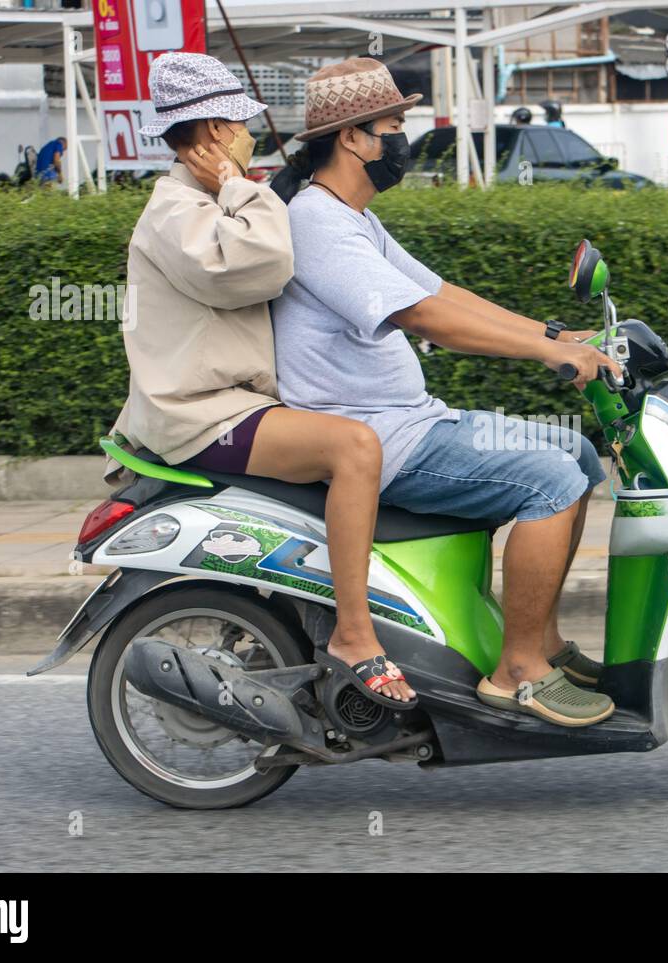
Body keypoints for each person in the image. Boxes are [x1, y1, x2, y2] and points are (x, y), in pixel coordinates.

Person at [270, 58, 620, 728]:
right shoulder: (318, 221)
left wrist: (554, 331)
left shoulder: (352, 218)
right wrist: (551, 353)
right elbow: (424, 318)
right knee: (551, 481)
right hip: (383, 436)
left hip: (412, 419)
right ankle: (517, 669)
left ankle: (542, 641)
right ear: (352, 137)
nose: (402, 139)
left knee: (573, 452)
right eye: (394, 125)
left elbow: (438, 291)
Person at [108, 52, 416, 706]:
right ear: (216, 131)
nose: (251, 134)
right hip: (204, 414)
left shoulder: (202, 201)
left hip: (232, 404)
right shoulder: (180, 211)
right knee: (355, 446)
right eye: (242, 124)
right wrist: (238, 183)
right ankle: (356, 636)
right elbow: (267, 262)